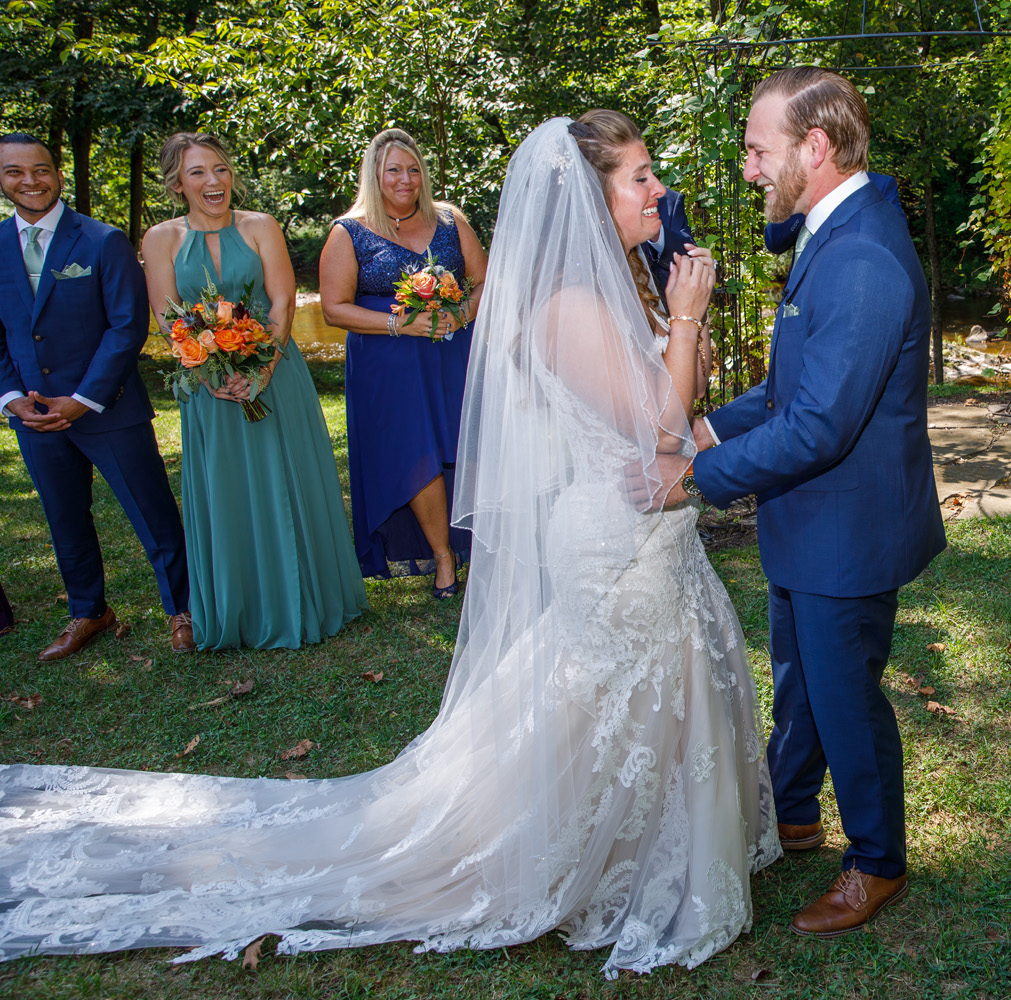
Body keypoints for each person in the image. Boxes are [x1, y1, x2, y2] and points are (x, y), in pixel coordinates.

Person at [0, 113, 777, 976]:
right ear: (592, 198)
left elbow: (677, 404)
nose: (657, 188)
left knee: (628, 697)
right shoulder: (567, 304)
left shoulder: (621, 279)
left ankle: (658, 840)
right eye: (639, 176)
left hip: (645, 526)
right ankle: (587, 854)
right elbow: (661, 430)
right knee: (608, 700)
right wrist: (686, 319)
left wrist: (680, 321)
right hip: (613, 532)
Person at [688, 68, 947, 938]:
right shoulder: (833, 228)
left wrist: (694, 479)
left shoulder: (864, 256)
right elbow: (791, 387)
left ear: (817, 146)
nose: (748, 168)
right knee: (801, 682)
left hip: (847, 529)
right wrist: (705, 429)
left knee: (845, 700)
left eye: (757, 150)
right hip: (810, 523)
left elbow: (819, 426)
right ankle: (792, 812)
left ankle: (877, 862)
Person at [140, 133, 368, 650]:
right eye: (198, 172)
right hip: (208, 387)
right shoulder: (161, 239)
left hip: (276, 375)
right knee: (227, 491)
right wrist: (207, 373)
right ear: (177, 184)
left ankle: (304, 600)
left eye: (220, 169)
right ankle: (240, 610)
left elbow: (282, 303)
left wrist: (261, 372)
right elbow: (168, 317)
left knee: (287, 481)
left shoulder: (261, 226)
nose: (213, 181)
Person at [0, 133, 193, 659]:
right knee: (64, 518)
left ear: (58, 174)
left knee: (153, 513)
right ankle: (89, 612)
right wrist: (12, 398)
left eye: (41, 169)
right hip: (34, 415)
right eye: (15, 172)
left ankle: (184, 609)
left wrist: (83, 398)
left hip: (110, 409)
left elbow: (127, 327)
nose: (30, 181)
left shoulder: (101, 240)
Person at [319, 129, 486, 597]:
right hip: (387, 364)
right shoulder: (348, 231)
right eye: (394, 169)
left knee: (466, 443)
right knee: (415, 453)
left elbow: (484, 279)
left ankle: (484, 546)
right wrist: (398, 325)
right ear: (374, 174)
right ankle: (443, 556)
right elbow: (333, 308)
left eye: (413, 169)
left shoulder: (450, 220)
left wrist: (461, 313)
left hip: (451, 353)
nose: (405, 179)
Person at [763, 171, 904, 254]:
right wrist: (807, 202)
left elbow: (898, 241)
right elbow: (774, 242)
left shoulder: (881, 185)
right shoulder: (803, 186)